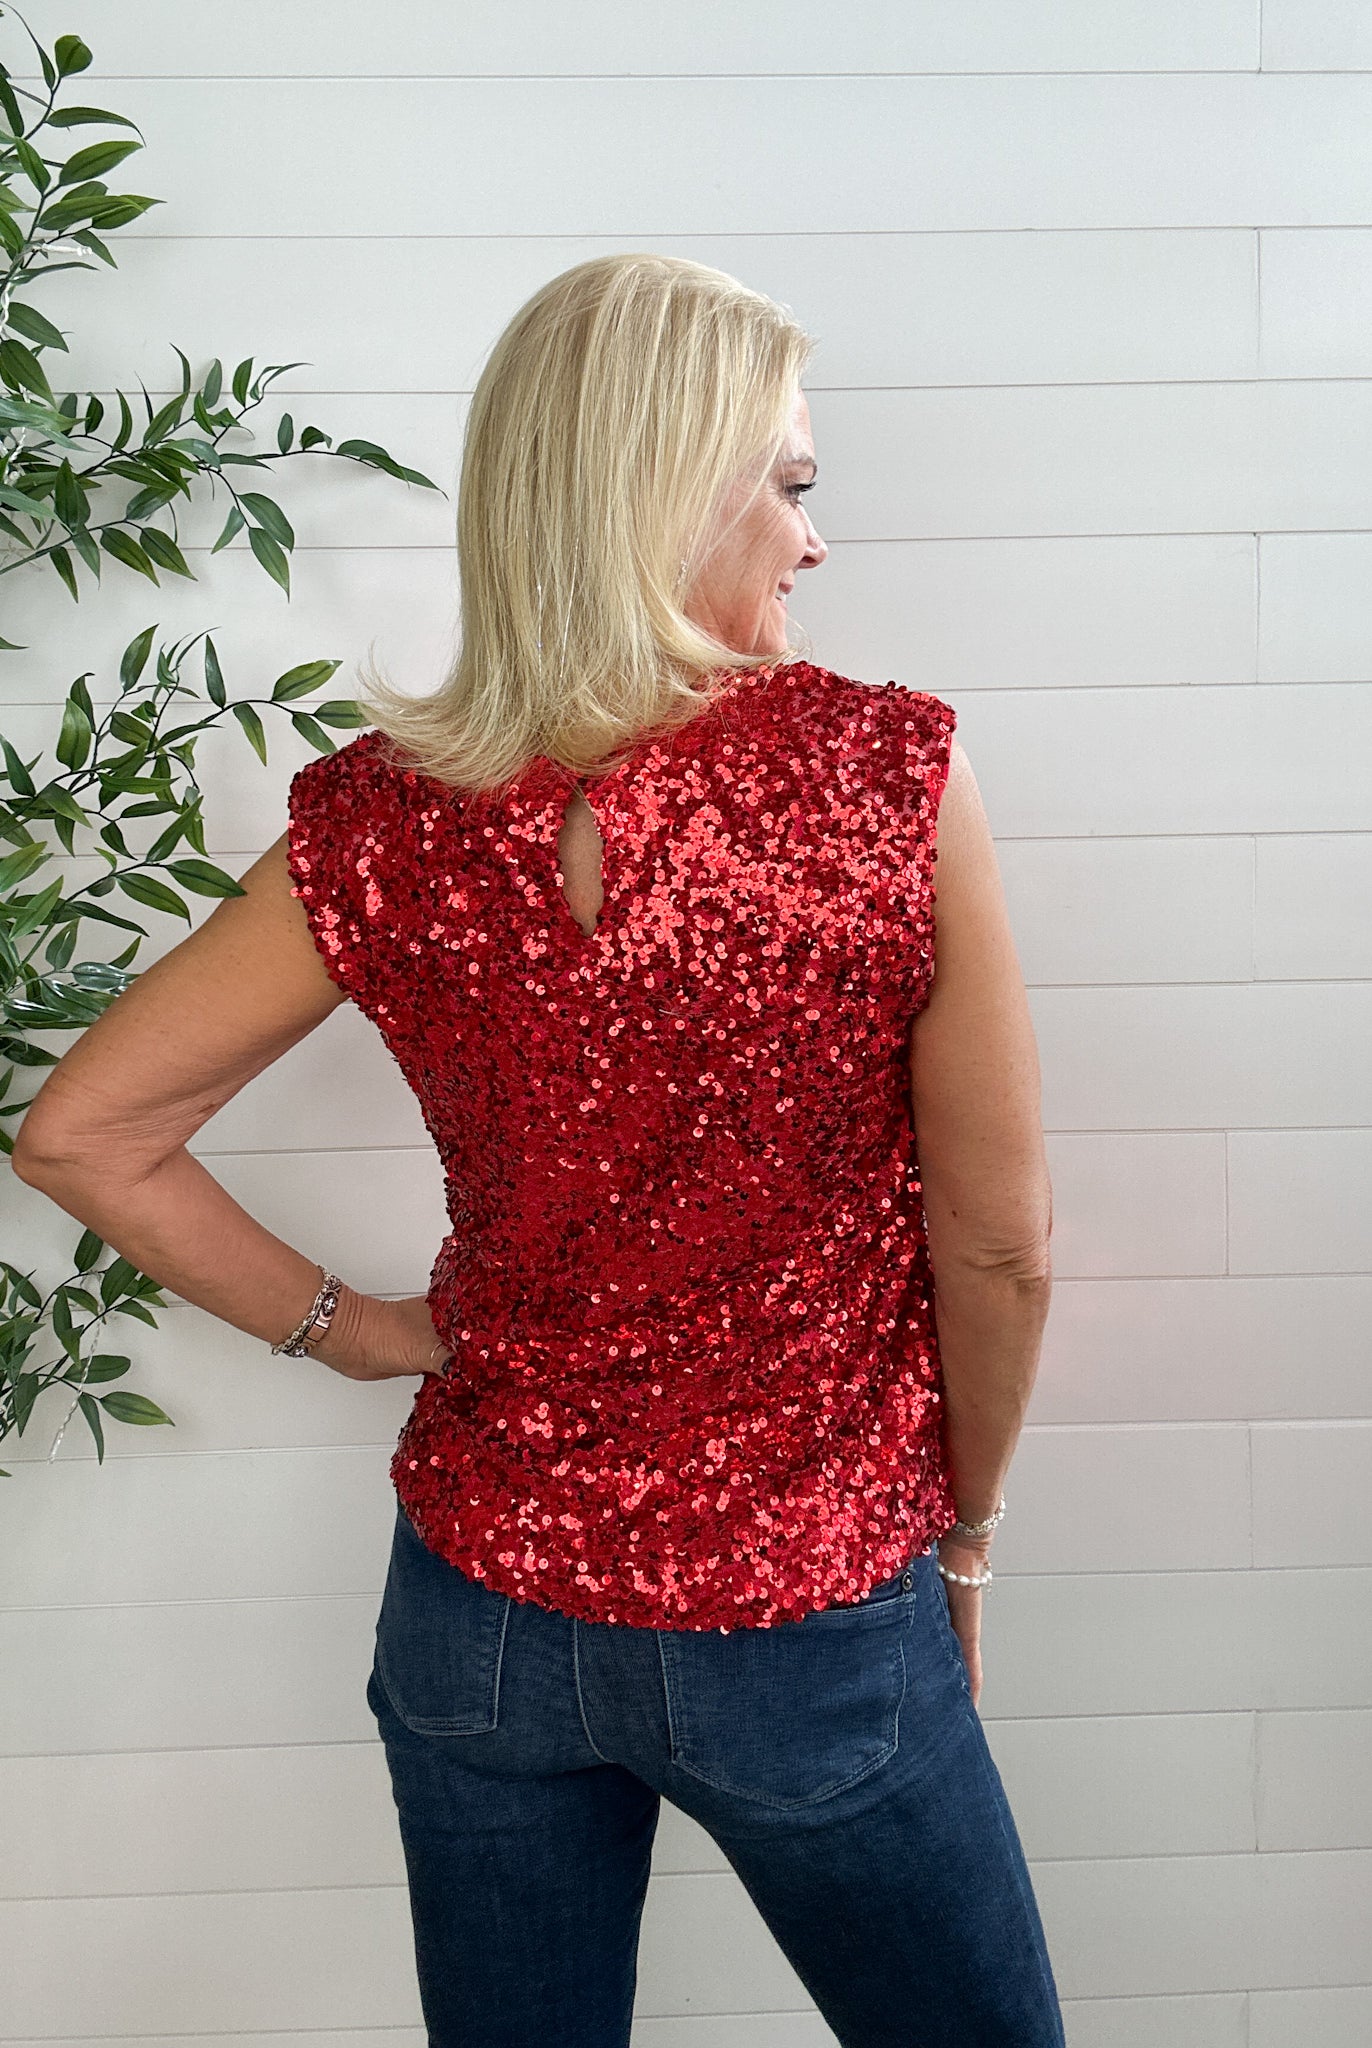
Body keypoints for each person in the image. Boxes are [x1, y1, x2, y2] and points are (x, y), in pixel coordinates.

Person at [14, 254, 1064, 2047]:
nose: (813, 541)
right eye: (790, 485)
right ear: (668, 490)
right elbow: (999, 1248)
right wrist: (963, 1537)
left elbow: (84, 1133)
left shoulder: (382, 815)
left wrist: (361, 1332)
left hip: (480, 1617)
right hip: (805, 1607)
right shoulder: (884, 776)